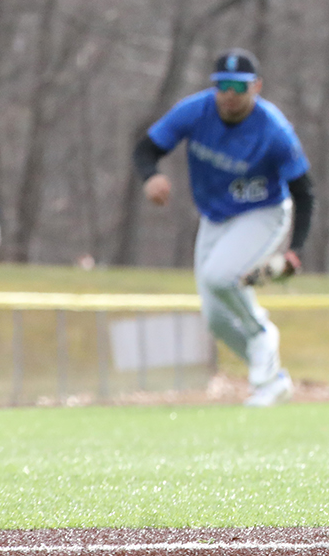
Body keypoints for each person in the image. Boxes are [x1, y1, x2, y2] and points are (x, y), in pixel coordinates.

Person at [133, 49, 316, 407]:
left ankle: (263, 339)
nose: (229, 93)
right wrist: (150, 176)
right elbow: (145, 149)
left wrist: (297, 249)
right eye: (222, 85)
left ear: (256, 87)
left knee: (220, 277)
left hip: (264, 212)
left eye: (238, 86)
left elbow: (305, 192)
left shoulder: (274, 129)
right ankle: (272, 378)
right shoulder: (195, 110)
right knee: (216, 320)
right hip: (215, 218)